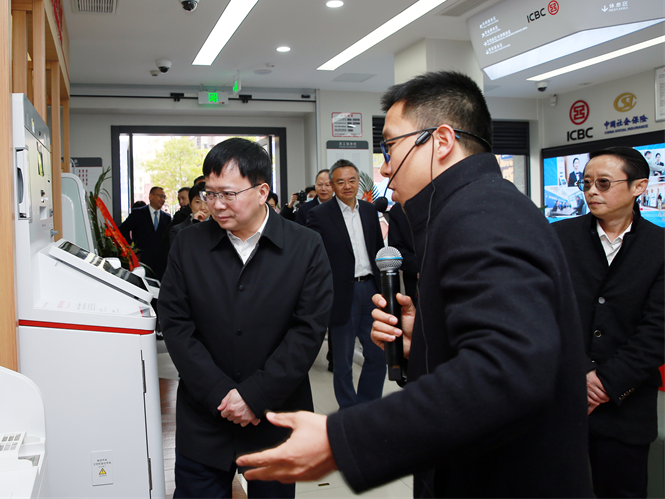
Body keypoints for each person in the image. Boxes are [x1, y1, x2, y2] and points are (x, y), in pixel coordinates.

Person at [236, 71, 593, 498]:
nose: (385, 167)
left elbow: (508, 371)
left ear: (441, 140)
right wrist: (426, 342)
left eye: (390, 147)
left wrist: (341, 439)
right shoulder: (470, 206)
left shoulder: (484, 214)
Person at [158, 137, 333, 499]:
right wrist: (220, 394)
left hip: (274, 415)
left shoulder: (305, 246)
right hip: (205, 416)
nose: (216, 205)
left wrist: (254, 396)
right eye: (209, 193)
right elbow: (176, 324)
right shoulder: (188, 245)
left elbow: (307, 331)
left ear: (262, 191)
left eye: (228, 194)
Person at [553, 147, 665, 499]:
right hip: (562, 397)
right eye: (586, 183)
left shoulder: (660, 247)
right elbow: (546, 311)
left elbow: (658, 330)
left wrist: (605, 382)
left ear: (639, 187)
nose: (591, 191)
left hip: (626, 405)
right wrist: (581, 372)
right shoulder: (558, 237)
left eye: (603, 183)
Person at [307, 159, 385, 409]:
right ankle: (349, 409)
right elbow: (314, 259)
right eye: (340, 182)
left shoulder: (369, 211)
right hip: (341, 293)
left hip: (371, 290)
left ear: (358, 181)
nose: (347, 186)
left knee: (378, 353)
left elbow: (378, 249)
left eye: (352, 180)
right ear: (332, 185)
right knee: (342, 360)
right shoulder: (319, 215)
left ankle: (368, 406)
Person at [119, 186, 171, 280]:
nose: (163, 200)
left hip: (161, 262)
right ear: (151, 196)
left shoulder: (167, 218)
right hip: (142, 259)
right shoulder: (138, 213)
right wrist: (132, 248)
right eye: (160, 196)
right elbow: (123, 229)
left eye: (164, 197)